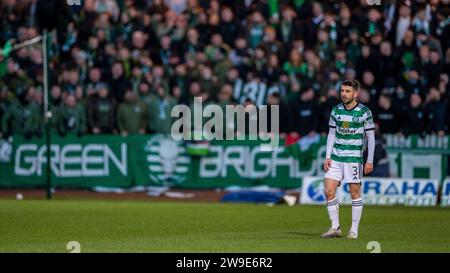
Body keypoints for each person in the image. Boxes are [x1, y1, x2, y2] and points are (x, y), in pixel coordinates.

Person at [321, 79, 375, 239]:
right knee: (329, 190)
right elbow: (331, 133)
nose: (343, 94)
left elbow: (370, 137)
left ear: (356, 94)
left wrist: (369, 160)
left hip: (353, 158)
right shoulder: (336, 110)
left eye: (347, 91)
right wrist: (328, 156)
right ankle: (335, 227)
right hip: (336, 156)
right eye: (342, 91)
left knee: (354, 192)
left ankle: (354, 231)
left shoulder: (364, 112)